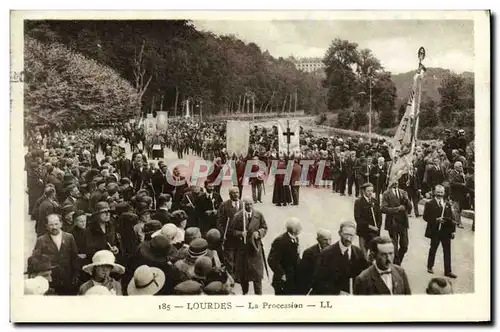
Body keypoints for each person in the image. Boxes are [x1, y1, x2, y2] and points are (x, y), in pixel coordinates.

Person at [312, 221, 368, 295]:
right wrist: (337, 292)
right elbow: (318, 282)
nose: (348, 238)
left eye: (351, 235)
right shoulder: (326, 254)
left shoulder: (359, 253)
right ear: (339, 233)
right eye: (346, 235)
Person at [32, 213, 80, 295]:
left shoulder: (69, 237)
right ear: (46, 226)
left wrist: (76, 275)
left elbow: (74, 257)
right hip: (51, 280)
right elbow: (36, 259)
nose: (54, 227)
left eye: (56, 224)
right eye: (51, 225)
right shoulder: (41, 240)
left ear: (61, 224)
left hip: (67, 279)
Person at [232, 198, 268, 295]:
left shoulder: (258, 215)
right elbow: (232, 231)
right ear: (243, 205)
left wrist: (259, 233)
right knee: (244, 275)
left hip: (255, 248)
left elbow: (264, 227)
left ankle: (258, 294)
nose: (249, 206)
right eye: (246, 204)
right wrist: (240, 233)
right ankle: (245, 293)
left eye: (250, 204)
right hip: (243, 250)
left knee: (257, 275)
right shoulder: (238, 216)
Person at [423, 185, 457, 278]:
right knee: (433, 249)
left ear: (444, 193)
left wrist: (453, 231)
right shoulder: (430, 203)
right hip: (435, 231)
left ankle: (448, 271)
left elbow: (452, 219)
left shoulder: (447, 204)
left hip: (446, 231)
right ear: (434, 192)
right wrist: (435, 220)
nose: (440, 194)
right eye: (438, 192)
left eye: (441, 192)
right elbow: (425, 217)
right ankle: (430, 266)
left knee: (447, 251)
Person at [381, 181, 412, 265]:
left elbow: (409, 207)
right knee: (394, 246)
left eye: (397, 181)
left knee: (404, 246)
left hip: (403, 222)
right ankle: (396, 264)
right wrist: (397, 209)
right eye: (394, 181)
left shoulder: (403, 192)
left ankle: (397, 262)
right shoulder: (386, 193)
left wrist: (406, 199)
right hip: (392, 222)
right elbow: (383, 208)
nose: (396, 183)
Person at [267, 217, 302, 295]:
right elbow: (272, 260)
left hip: (293, 278)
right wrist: (282, 274)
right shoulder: (280, 241)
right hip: (283, 280)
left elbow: (296, 257)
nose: (301, 228)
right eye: (299, 227)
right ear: (293, 230)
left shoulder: (296, 238)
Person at [216, 187, 243, 277]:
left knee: (239, 256)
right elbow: (219, 221)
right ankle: (230, 277)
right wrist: (223, 233)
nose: (236, 194)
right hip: (228, 236)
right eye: (233, 193)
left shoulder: (243, 204)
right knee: (229, 258)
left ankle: (238, 275)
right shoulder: (224, 205)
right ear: (230, 194)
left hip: (240, 236)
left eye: (237, 192)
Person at [298, 229, 331, 294]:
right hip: (314, 289)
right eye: (325, 239)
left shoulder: (333, 251)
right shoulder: (309, 253)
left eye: (330, 239)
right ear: (318, 239)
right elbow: (304, 275)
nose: (328, 242)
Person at [354, 183, 382, 255]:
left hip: (374, 233)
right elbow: (358, 218)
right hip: (363, 232)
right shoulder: (358, 202)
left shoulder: (375, 201)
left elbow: (379, 216)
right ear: (363, 191)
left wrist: (378, 227)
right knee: (363, 254)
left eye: (372, 191)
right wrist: (370, 226)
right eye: (368, 191)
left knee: (374, 253)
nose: (370, 193)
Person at [448, 161, 467, 229]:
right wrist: (461, 184)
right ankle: (458, 222)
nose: (461, 167)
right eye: (460, 166)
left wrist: (463, 177)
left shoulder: (462, 174)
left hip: (461, 194)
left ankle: (455, 219)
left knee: (460, 209)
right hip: (455, 194)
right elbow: (451, 183)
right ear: (455, 167)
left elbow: (465, 183)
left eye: (461, 166)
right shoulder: (452, 173)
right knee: (457, 209)